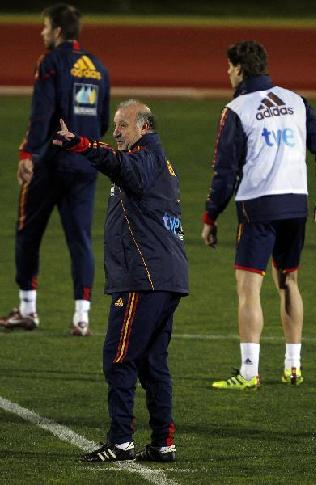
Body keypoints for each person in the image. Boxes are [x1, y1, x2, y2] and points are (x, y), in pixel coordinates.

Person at [53, 99, 188, 461]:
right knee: (152, 364)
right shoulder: (156, 162)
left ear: (144, 127)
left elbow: (119, 165)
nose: (115, 132)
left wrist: (81, 144)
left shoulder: (145, 157)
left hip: (144, 278)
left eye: (122, 125)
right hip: (165, 276)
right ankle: (163, 442)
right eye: (114, 125)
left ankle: (121, 440)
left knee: (119, 358)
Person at [201, 40, 316, 389]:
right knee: (288, 281)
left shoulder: (237, 108)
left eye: (230, 67)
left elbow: (225, 171)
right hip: (295, 204)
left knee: (249, 290)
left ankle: (248, 372)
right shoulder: (295, 100)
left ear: (241, 70)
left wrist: (210, 216)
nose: (227, 73)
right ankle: (293, 366)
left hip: (259, 205)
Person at [0, 3, 110, 336]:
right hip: (84, 163)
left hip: (50, 163)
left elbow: (42, 114)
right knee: (81, 239)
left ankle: (28, 309)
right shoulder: (98, 67)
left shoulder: (50, 63)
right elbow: (103, 121)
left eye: (45, 27)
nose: (42, 32)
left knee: (27, 233)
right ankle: (82, 317)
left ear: (58, 31)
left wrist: (27, 153)